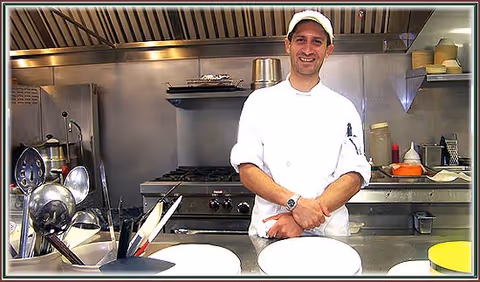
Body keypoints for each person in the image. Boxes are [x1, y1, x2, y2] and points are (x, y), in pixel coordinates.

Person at [230, 10, 371, 239]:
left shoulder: (344, 108)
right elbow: (247, 170)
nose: (307, 49)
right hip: (273, 230)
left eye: (317, 42)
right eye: (300, 40)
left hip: (328, 235)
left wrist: (300, 219)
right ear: (288, 44)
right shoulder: (259, 102)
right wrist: (294, 203)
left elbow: (354, 175)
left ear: (328, 50)